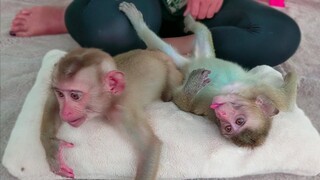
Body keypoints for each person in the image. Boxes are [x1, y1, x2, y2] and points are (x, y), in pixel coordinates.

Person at [9, 0, 301, 69]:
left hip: (209, 14)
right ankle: (72, 15)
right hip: (140, 5)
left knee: (280, 35)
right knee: (107, 30)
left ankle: (166, 47)